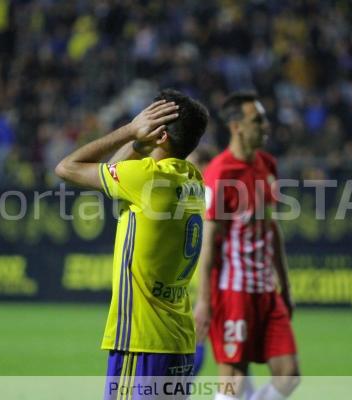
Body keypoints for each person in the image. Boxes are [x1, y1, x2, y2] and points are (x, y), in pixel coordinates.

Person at [55, 89, 209, 399]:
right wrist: (140, 143)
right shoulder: (192, 178)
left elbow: (67, 168)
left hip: (141, 341)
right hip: (177, 340)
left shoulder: (146, 179)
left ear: (161, 133)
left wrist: (129, 130)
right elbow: (116, 172)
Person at [194, 92, 300, 400]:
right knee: (233, 380)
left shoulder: (267, 165)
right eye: (258, 120)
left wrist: (286, 285)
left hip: (267, 291)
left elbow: (272, 228)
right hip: (232, 291)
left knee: (289, 374)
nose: (266, 126)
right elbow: (209, 243)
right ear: (237, 126)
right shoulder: (219, 173)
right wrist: (204, 300)